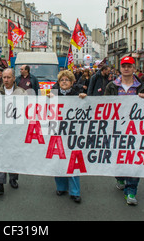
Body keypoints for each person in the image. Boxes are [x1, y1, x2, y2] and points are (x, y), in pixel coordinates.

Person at [104, 56, 144, 206]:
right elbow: (105, 105)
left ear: (134, 68)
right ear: (120, 68)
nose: (126, 68)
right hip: (116, 129)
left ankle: (131, 190)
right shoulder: (112, 86)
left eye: (129, 66)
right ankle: (120, 176)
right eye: (124, 66)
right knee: (118, 157)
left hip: (136, 129)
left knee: (134, 158)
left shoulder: (142, 87)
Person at [48, 70, 87, 203]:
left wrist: (84, 99)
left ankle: (75, 192)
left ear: (72, 82)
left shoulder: (78, 94)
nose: (64, 82)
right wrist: (48, 100)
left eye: (67, 80)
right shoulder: (52, 94)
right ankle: (61, 187)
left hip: (73, 133)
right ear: (58, 83)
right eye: (61, 80)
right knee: (58, 159)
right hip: (57, 131)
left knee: (73, 161)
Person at [0, 68, 27, 194]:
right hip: (1, 130)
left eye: (8, 77)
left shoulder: (21, 92)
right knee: (1, 155)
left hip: (15, 130)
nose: (6, 80)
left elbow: (27, 110)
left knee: (14, 155)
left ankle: (13, 178)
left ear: (14, 78)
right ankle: (0, 183)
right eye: (4, 77)